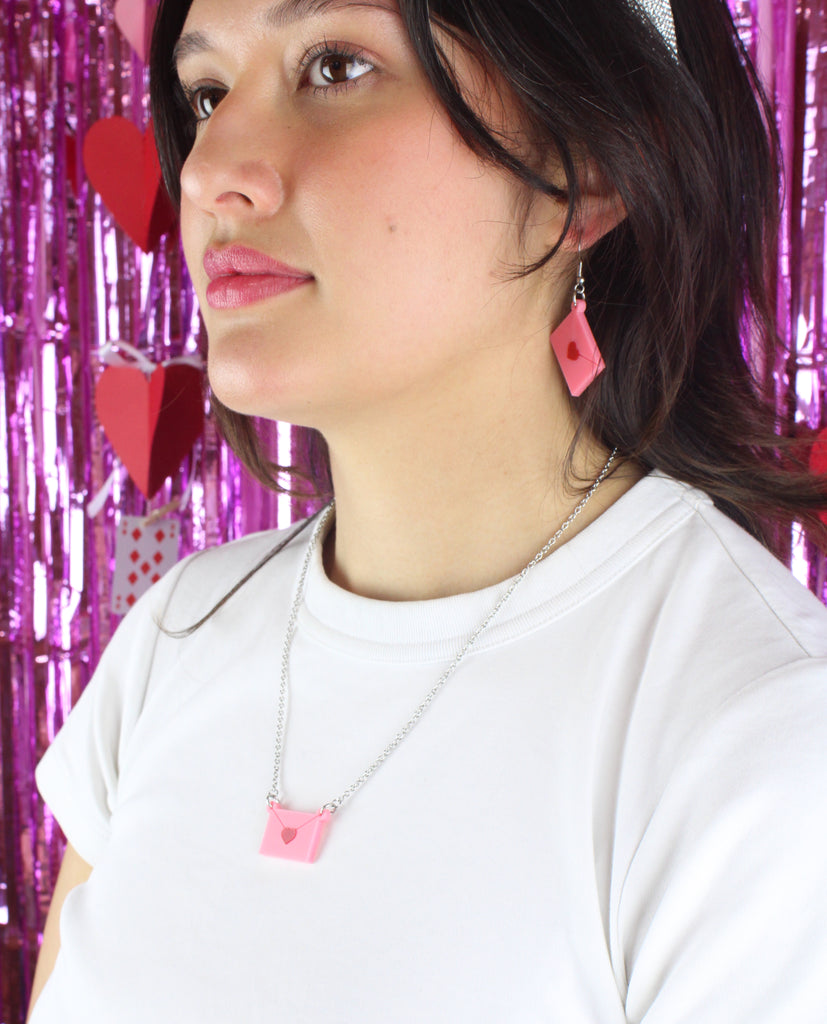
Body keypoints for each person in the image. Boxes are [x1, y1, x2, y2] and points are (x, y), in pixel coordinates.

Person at [27, 0, 827, 1020]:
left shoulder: (756, 742)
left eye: (334, 66)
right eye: (209, 93)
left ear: (587, 172)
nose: (211, 169)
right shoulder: (174, 643)